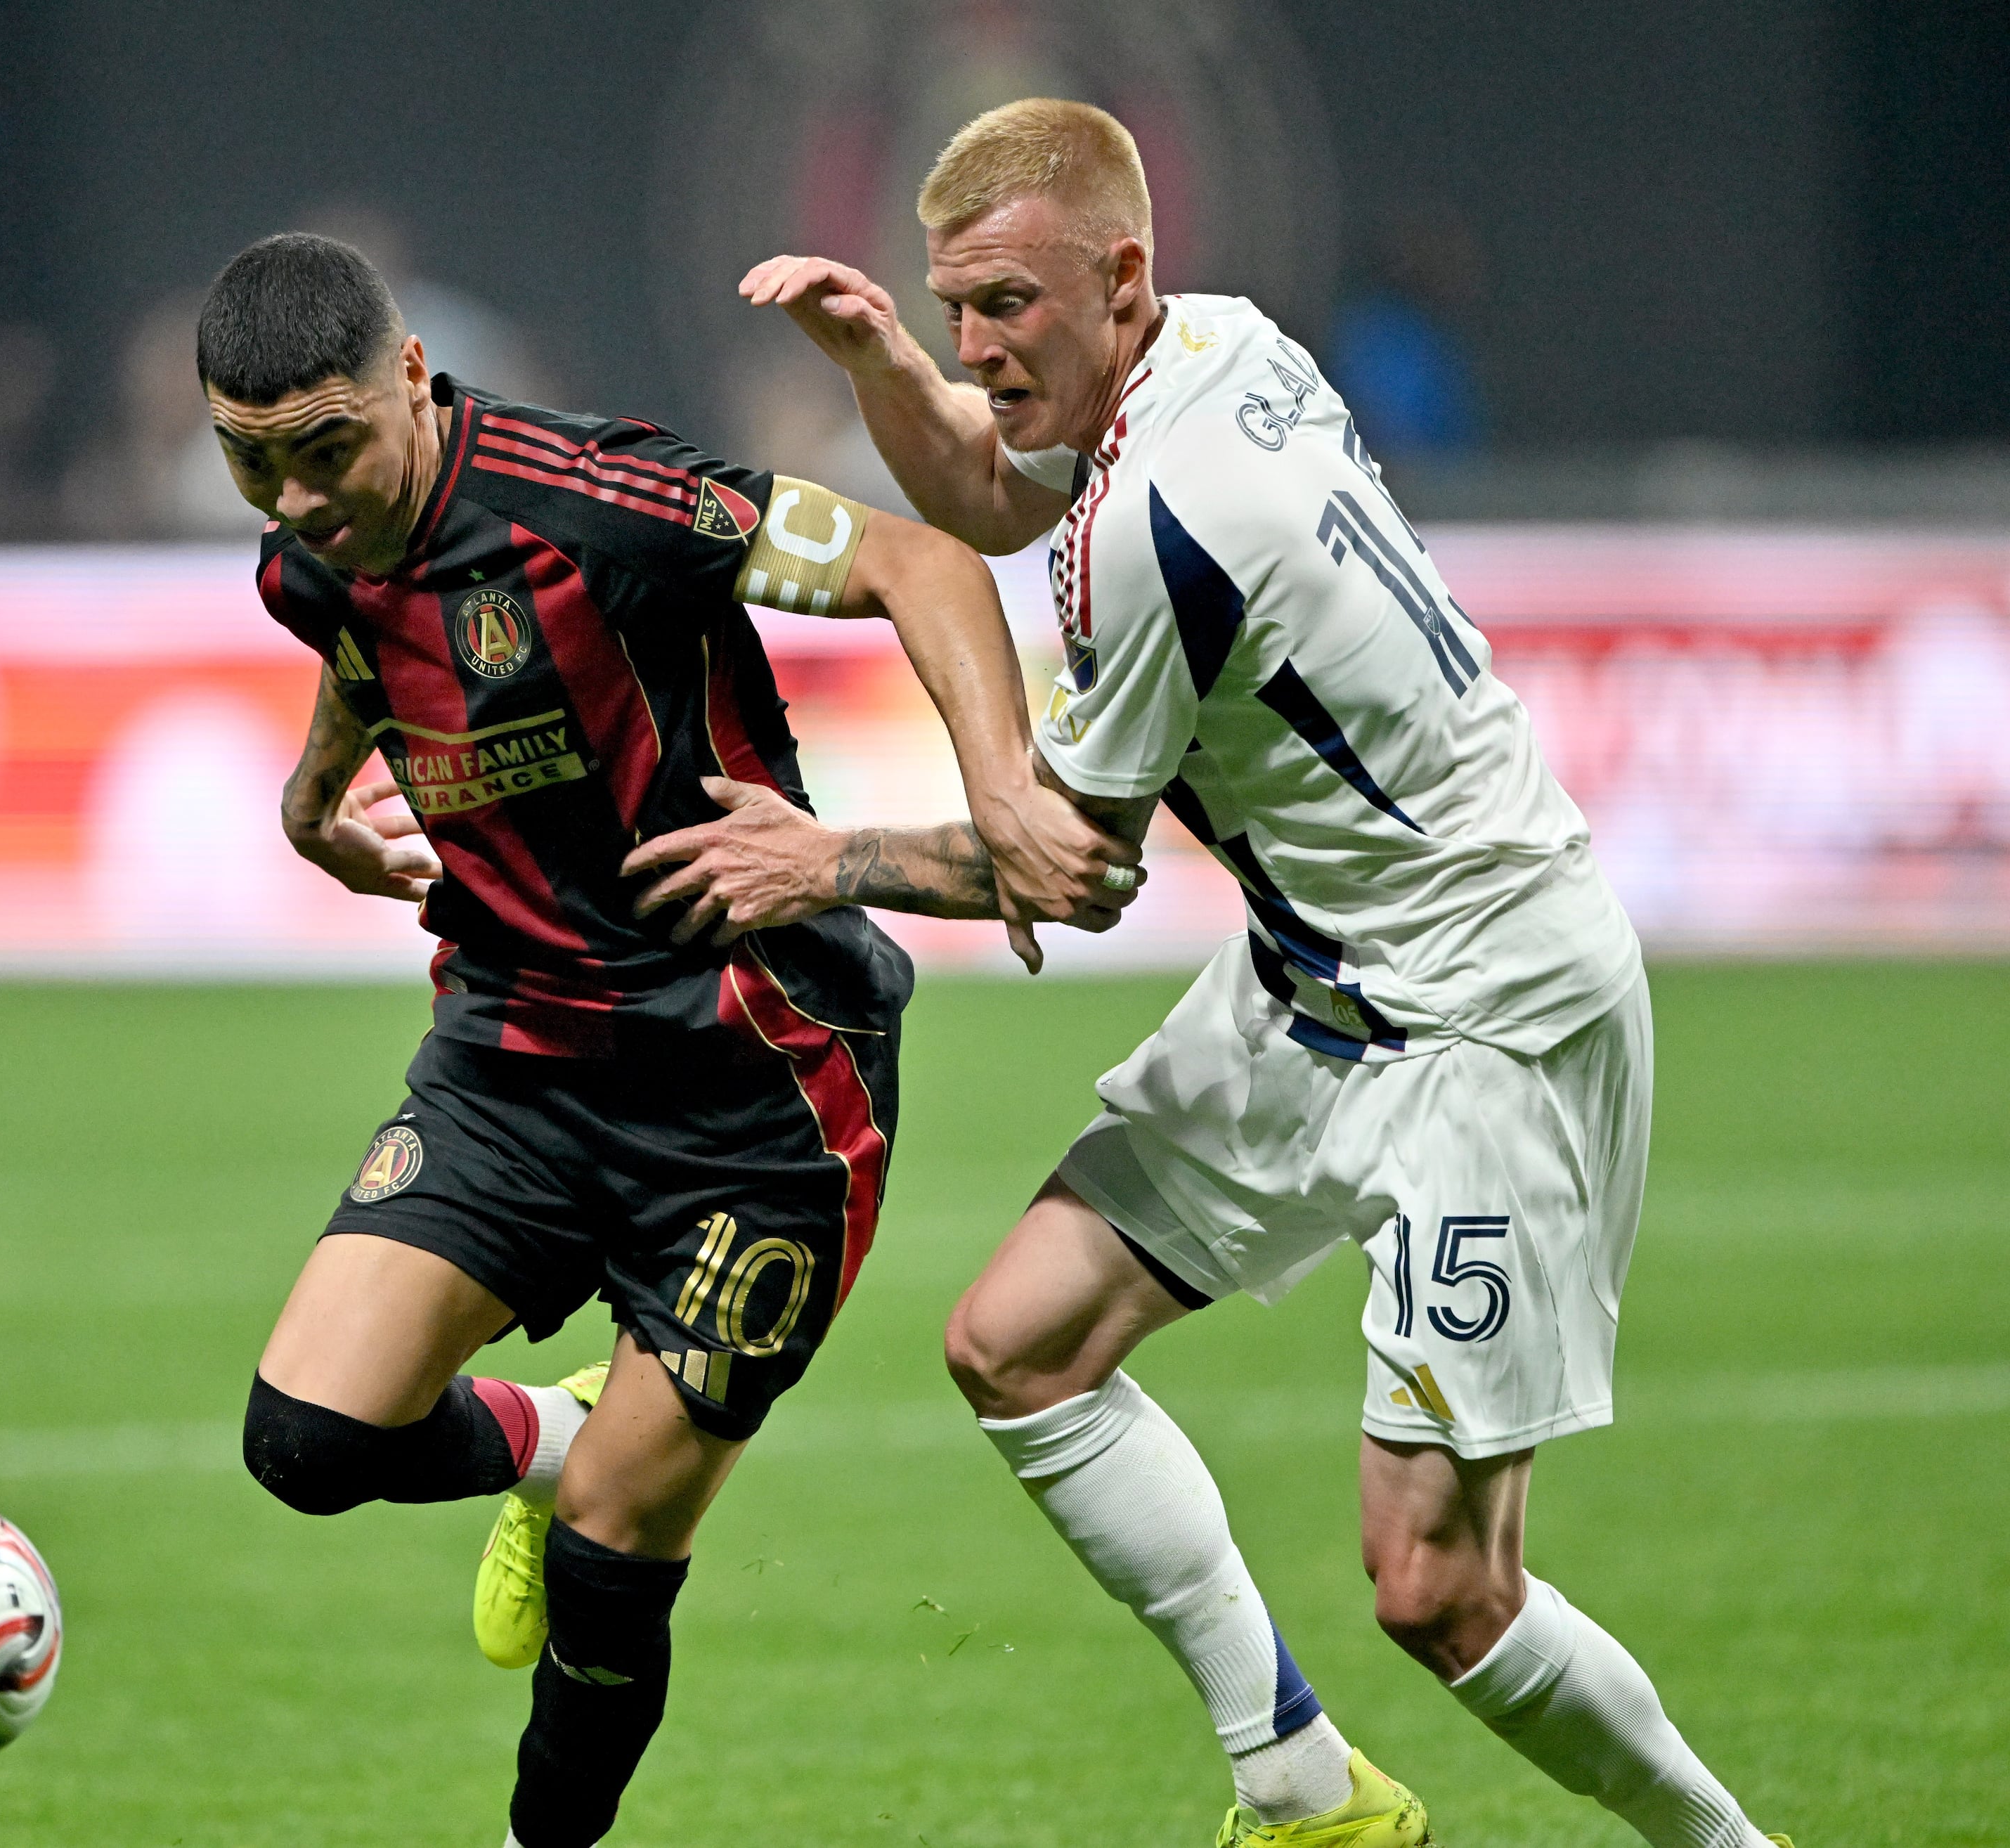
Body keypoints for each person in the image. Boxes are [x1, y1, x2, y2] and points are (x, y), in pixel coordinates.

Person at [645, 98, 1790, 1848]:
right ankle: (1299, 1783)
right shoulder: (1217, 347)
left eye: (1005, 309)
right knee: (1019, 1343)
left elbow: (1072, 872)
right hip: (1322, 980)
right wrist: (878, 359)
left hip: (1486, 1014)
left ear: (1118, 274)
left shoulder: (1175, 518)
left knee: (1439, 1590)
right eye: (953, 305)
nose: (977, 346)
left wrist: (825, 860)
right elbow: (984, 476)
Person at [198, 231, 1117, 1848]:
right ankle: (554, 1431)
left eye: (326, 447)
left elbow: (928, 564)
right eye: (249, 461)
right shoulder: (305, 548)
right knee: (306, 1440)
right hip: (511, 1056)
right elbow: (351, 628)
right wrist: (312, 792)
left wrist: (1001, 793)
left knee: (612, 1565)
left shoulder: (598, 503)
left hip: (752, 1084)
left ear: (412, 377)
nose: (294, 498)